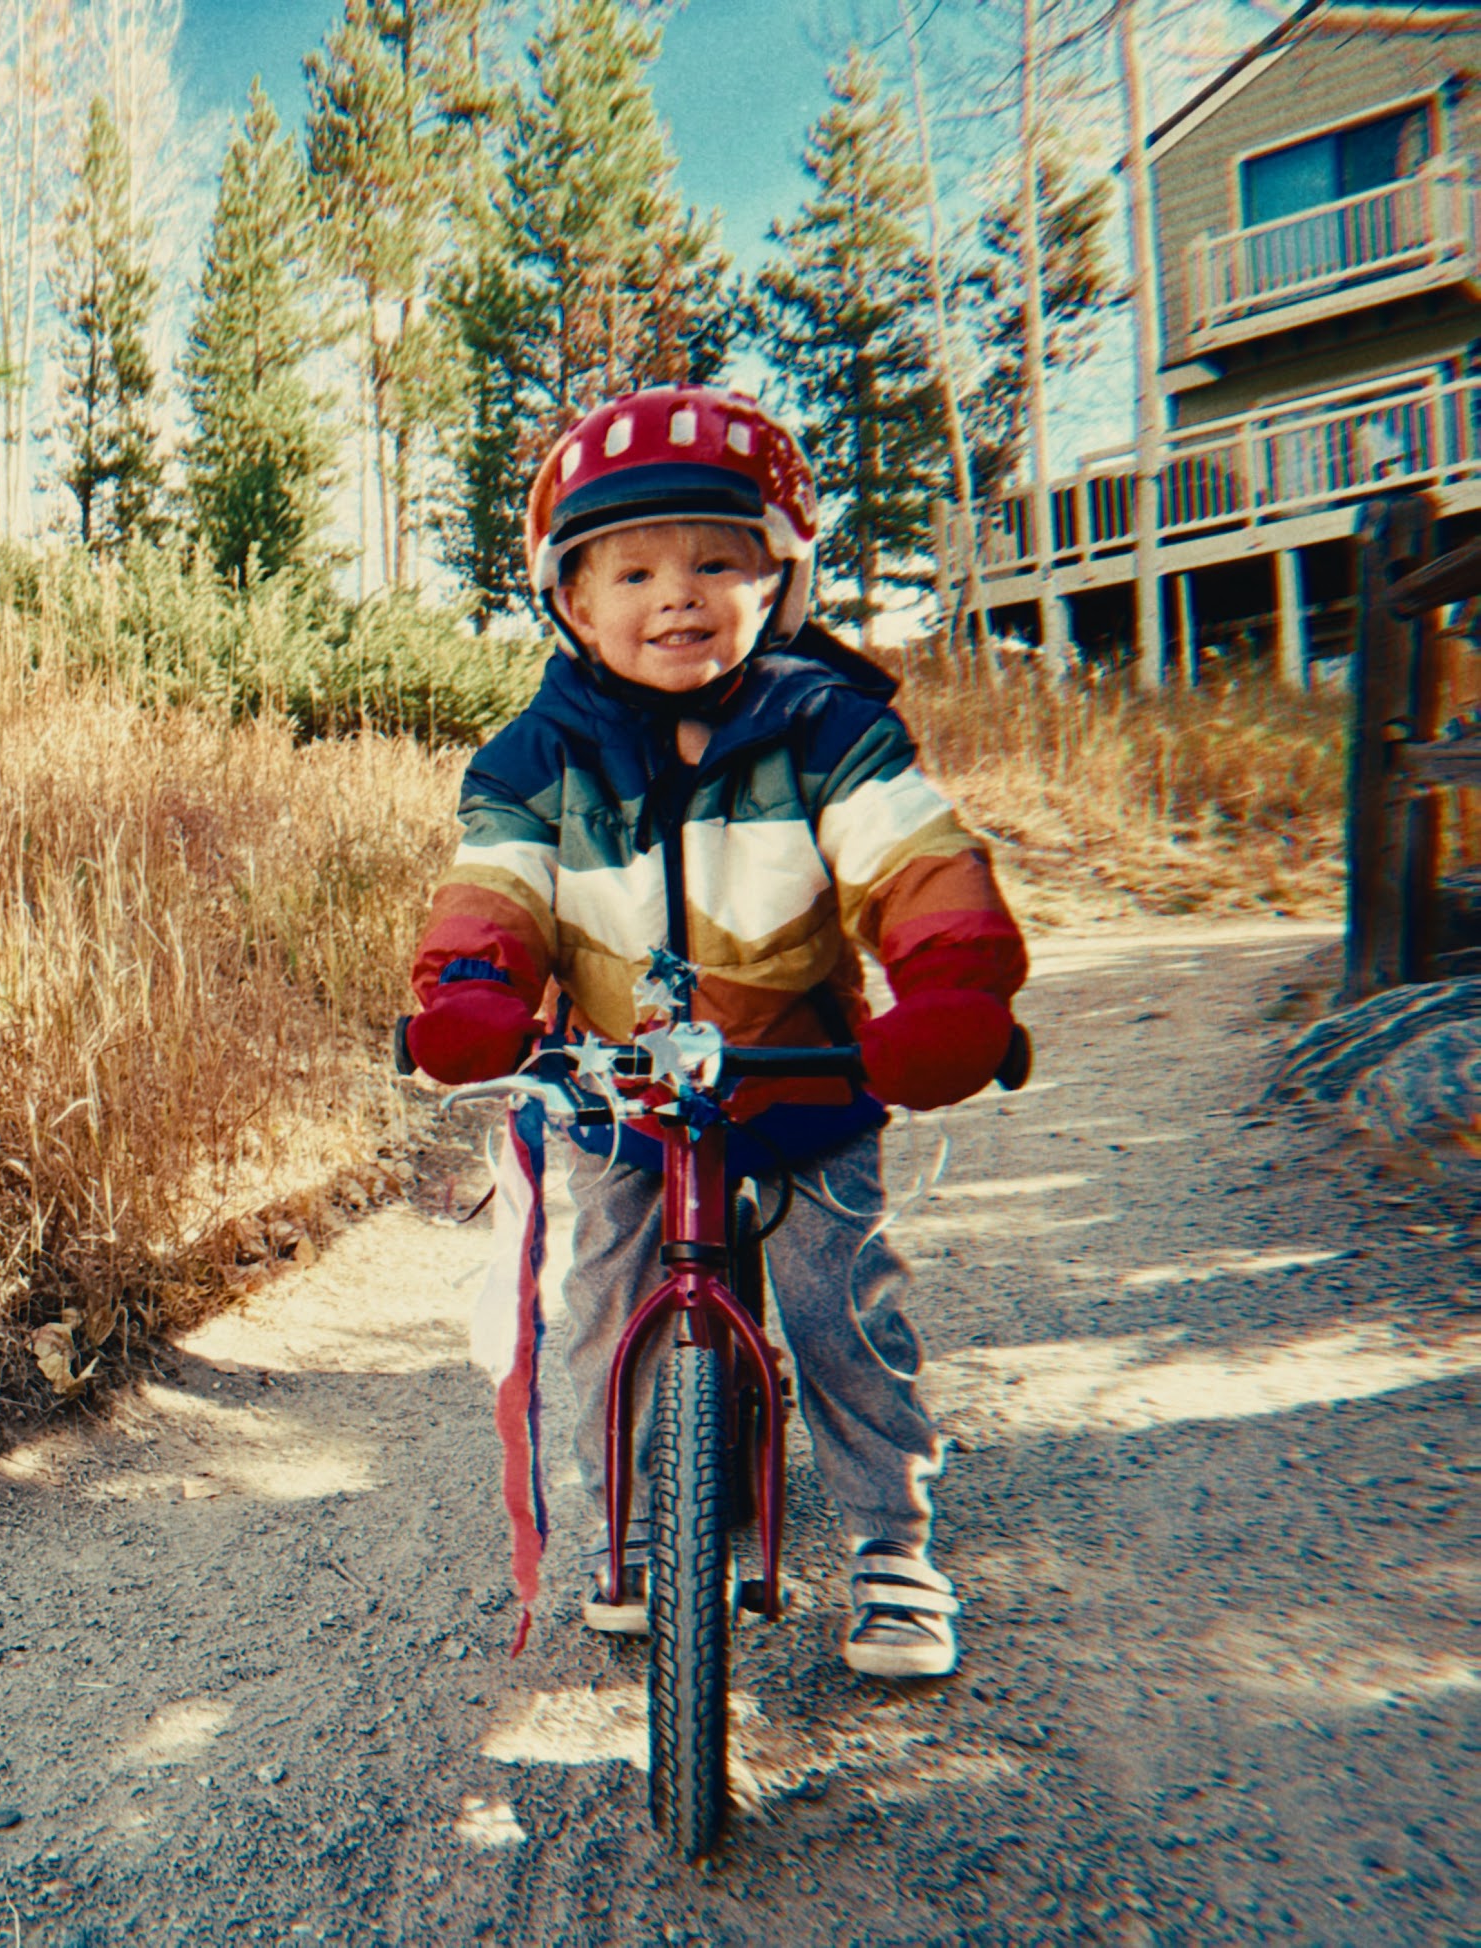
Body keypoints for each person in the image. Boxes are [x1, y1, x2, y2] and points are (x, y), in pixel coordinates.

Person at [404, 385, 1026, 1680]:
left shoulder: (823, 727)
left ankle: (888, 1546)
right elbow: (500, 880)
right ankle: (635, 1531)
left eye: (716, 560)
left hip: (801, 1082)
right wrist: (475, 984)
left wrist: (950, 983)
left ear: (779, 579)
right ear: (571, 604)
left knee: (835, 1307)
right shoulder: (533, 759)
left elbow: (907, 854)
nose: (675, 595)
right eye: (630, 570)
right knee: (606, 1306)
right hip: (622, 1097)